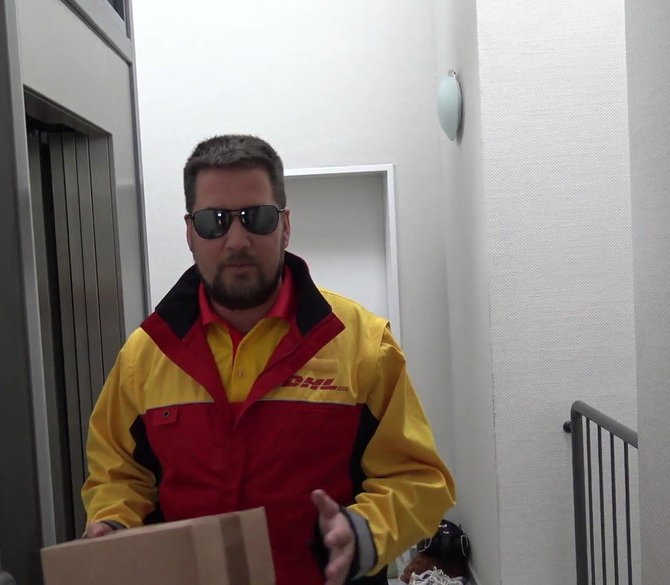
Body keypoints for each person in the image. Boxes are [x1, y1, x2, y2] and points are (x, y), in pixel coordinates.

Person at [81, 134, 456, 585]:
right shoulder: (145, 355)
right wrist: (113, 524)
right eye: (215, 221)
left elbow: (417, 479)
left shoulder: (363, 345)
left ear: (285, 225)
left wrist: (363, 532)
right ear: (190, 233)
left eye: (256, 218)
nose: (237, 240)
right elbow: (118, 474)